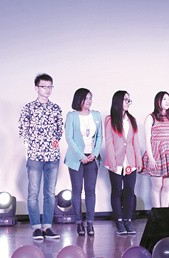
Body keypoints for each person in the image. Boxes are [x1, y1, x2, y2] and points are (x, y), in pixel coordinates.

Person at [18, 73, 64, 240]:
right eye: (44, 86)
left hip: (52, 156)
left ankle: (47, 226)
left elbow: (59, 129)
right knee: (33, 192)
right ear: (36, 88)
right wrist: (32, 145)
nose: (47, 89)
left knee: (50, 193)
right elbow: (22, 129)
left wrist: (53, 142)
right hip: (35, 156)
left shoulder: (56, 108)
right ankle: (36, 226)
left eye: (50, 86)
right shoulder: (29, 108)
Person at [64, 88, 102, 237]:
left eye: (90, 98)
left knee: (90, 191)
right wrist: (81, 156)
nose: (89, 101)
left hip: (92, 157)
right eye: (86, 98)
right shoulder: (72, 116)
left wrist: (95, 153)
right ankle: (79, 222)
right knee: (77, 190)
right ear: (78, 99)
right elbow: (69, 138)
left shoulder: (96, 115)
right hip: (76, 158)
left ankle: (90, 223)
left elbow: (99, 137)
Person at [103, 90, 142, 235]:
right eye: (126, 100)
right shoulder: (109, 119)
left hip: (130, 161)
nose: (128, 102)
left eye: (129, 100)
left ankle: (128, 220)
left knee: (129, 191)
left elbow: (135, 142)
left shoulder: (132, 119)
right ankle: (119, 221)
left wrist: (138, 161)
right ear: (118, 101)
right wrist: (113, 162)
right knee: (116, 191)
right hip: (116, 161)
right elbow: (109, 142)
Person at [142, 91, 169, 208]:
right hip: (157, 154)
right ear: (158, 101)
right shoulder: (151, 118)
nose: (167, 102)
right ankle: (157, 213)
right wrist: (151, 158)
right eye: (164, 99)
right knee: (157, 186)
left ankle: (165, 212)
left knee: (166, 187)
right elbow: (147, 139)